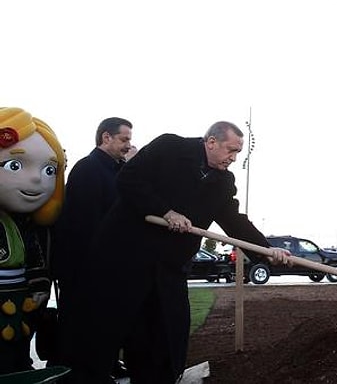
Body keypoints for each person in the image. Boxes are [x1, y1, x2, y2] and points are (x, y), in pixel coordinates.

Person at [62, 121, 290, 384]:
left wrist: (266, 250)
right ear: (211, 142)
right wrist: (165, 211)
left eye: (238, 153)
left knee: (164, 341)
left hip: (167, 271)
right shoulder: (169, 147)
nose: (233, 158)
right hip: (122, 262)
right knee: (103, 335)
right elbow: (128, 179)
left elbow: (234, 221)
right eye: (231, 150)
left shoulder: (222, 183)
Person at [51, 117, 133, 376]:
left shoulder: (117, 170)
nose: (128, 146)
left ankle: (104, 365)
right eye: (124, 139)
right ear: (105, 138)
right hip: (84, 267)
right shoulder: (87, 169)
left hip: (107, 266)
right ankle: (78, 373)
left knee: (106, 323)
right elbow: (83, 226)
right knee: (81, 326)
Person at [0, 107, 66, 374]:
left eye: (50, 170)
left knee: (16, 351)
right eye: (15, 165)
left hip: (18, 302)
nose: (38, 178)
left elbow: (34, 255)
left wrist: (39, 284)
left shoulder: (27, 225)